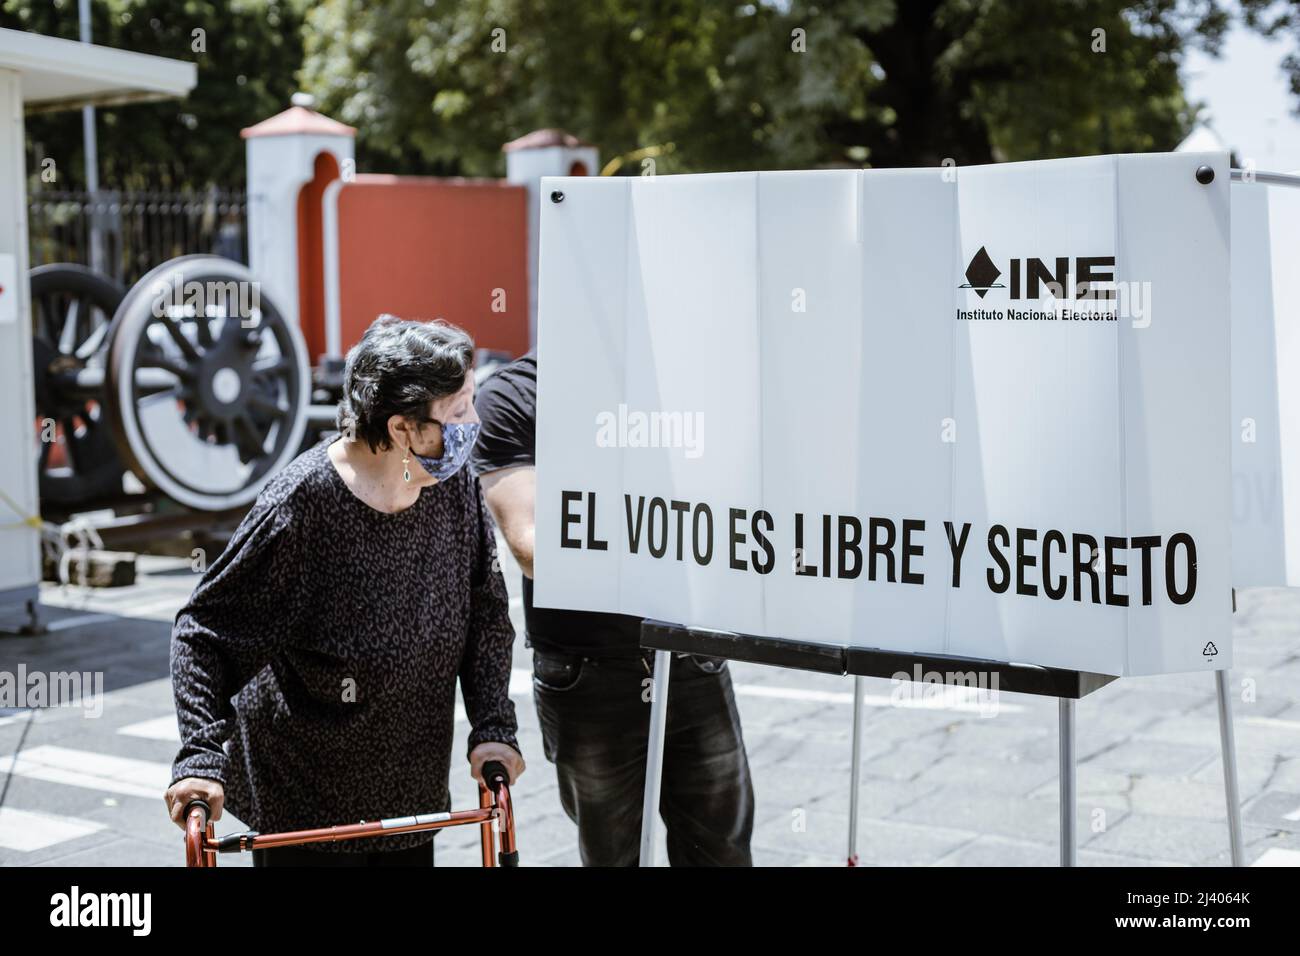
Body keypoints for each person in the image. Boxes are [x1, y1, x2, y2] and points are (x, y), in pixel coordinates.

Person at [163, 316, 524, 867]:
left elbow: (486, 614)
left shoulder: (451, 489)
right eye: (458, 412)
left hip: (409, 804)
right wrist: (199, 757)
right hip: (305, 813)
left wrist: (494, 725)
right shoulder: (301, 508)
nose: (473, 424)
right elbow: (203, 634)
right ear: (403, 429)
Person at [472, 349, 753, 866]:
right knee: (612, 855)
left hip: (693, 651)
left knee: (722, 851)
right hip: (587, 670)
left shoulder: (685, 379)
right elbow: (533, 549)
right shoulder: (513, 397)